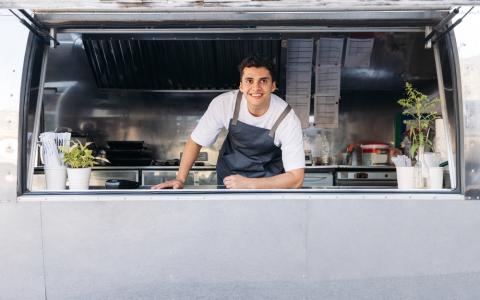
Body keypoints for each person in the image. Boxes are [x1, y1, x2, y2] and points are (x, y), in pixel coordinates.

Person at [152, 55, 305, 189]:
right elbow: (196, 140)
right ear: (241, 85)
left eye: (263, 81)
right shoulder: (225, 104)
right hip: (230, 181)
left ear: (273, 86)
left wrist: (250, 184)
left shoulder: (287, 118)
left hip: (270, 183)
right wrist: (180, 179)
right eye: (249, 81)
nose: (255, 88)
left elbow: (296, 179)